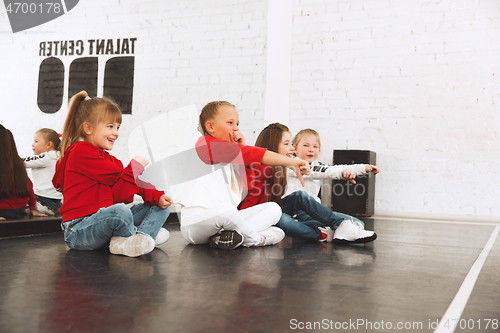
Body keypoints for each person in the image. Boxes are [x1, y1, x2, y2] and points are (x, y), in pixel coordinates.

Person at [175, 101, 310, 250]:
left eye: (237, 124)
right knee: (227, 209)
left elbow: (248, 184)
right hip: (196, 225)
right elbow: (252, 153)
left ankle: (228, 237)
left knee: (274, 209)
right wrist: (289, 162)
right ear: (210, 127)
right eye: (230, 122)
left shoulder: (232, 153)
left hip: (223, 226)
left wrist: (240, 148)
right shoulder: (204, 145)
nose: (236, 128)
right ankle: (257, 239)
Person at [52, 91, 172, 257]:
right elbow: (122, 178)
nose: (116, 132)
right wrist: (135, 167)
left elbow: (122, 188)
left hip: (101, 221)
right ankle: (142, 234)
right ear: (88, 128)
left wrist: (155, 196)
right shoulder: (81, 152)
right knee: (120, 212)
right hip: (78, 230)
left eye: (117, 127)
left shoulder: (110, 160)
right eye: (110, 126)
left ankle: (142, 237)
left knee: (160, 206)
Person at [240, 123, 378, 244]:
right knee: (284, 220)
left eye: (315, 146)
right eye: (287, 144)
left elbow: (330, 169)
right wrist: (241, 222)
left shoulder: (288, 165)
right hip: (272, 214)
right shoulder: (277, 166)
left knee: (359, 223)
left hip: (299, 211)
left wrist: (362, 168)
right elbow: (250, 198)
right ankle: (324, 233)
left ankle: (339, 226)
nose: (292, 148)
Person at [0, 124, 47, 220]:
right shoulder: (18, 161)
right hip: (19, 208)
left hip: (3, 209)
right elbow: (28, 185)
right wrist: (33, 209)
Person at [23, 128, 63, 216]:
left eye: (36, 141)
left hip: (45, 201)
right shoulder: (56, 155)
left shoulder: (48, 156)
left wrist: (8, 156)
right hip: (53, 200)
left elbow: (21, 162)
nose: (32, 145)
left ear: (49, 144)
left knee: (15, 208)